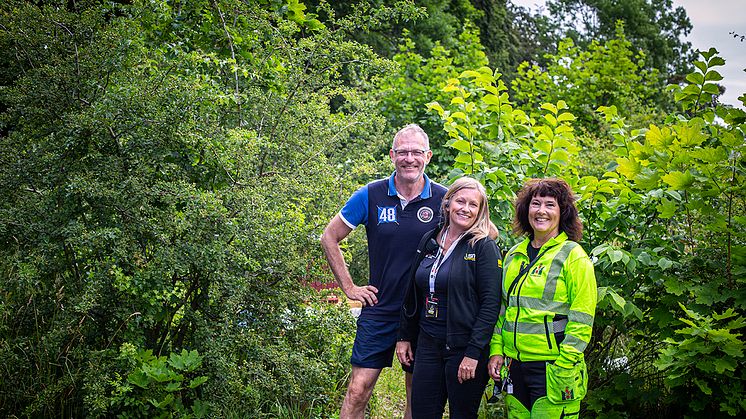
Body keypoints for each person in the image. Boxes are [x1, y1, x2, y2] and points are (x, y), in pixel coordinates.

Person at [320, 124, 446, 419]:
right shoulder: (370, 194)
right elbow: (329, 237)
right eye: (402, 152)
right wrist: (349, 288)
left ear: (427, 156)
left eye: (416, 152)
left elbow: (484, 231)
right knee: (357, 390)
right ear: (392, 155)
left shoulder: (444, 198)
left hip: (424, 312)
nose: (409, 159)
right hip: (380, 308)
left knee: (416, 399)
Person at [487, 178, 597, 418]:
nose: (541, 211)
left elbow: (583, 318)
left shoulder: (573, 256)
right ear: (526, 210)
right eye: (535, 204)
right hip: (514, 367)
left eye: (550, 205)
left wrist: (565, 363)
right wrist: (497, 351)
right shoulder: (514, 256)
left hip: (553, 368)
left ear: (563, 212)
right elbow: (503, 311)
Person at [397, 177, 501, 418]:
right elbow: (413, 291)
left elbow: (490, 305)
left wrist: (474, 353)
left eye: (473, 205)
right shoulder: (430, 239)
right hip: (428, 345)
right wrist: (405, 335)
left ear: (480, 211)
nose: (465, 208)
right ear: (447, 203)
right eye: (460, 201)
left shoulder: (482, 246)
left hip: (463, 349)